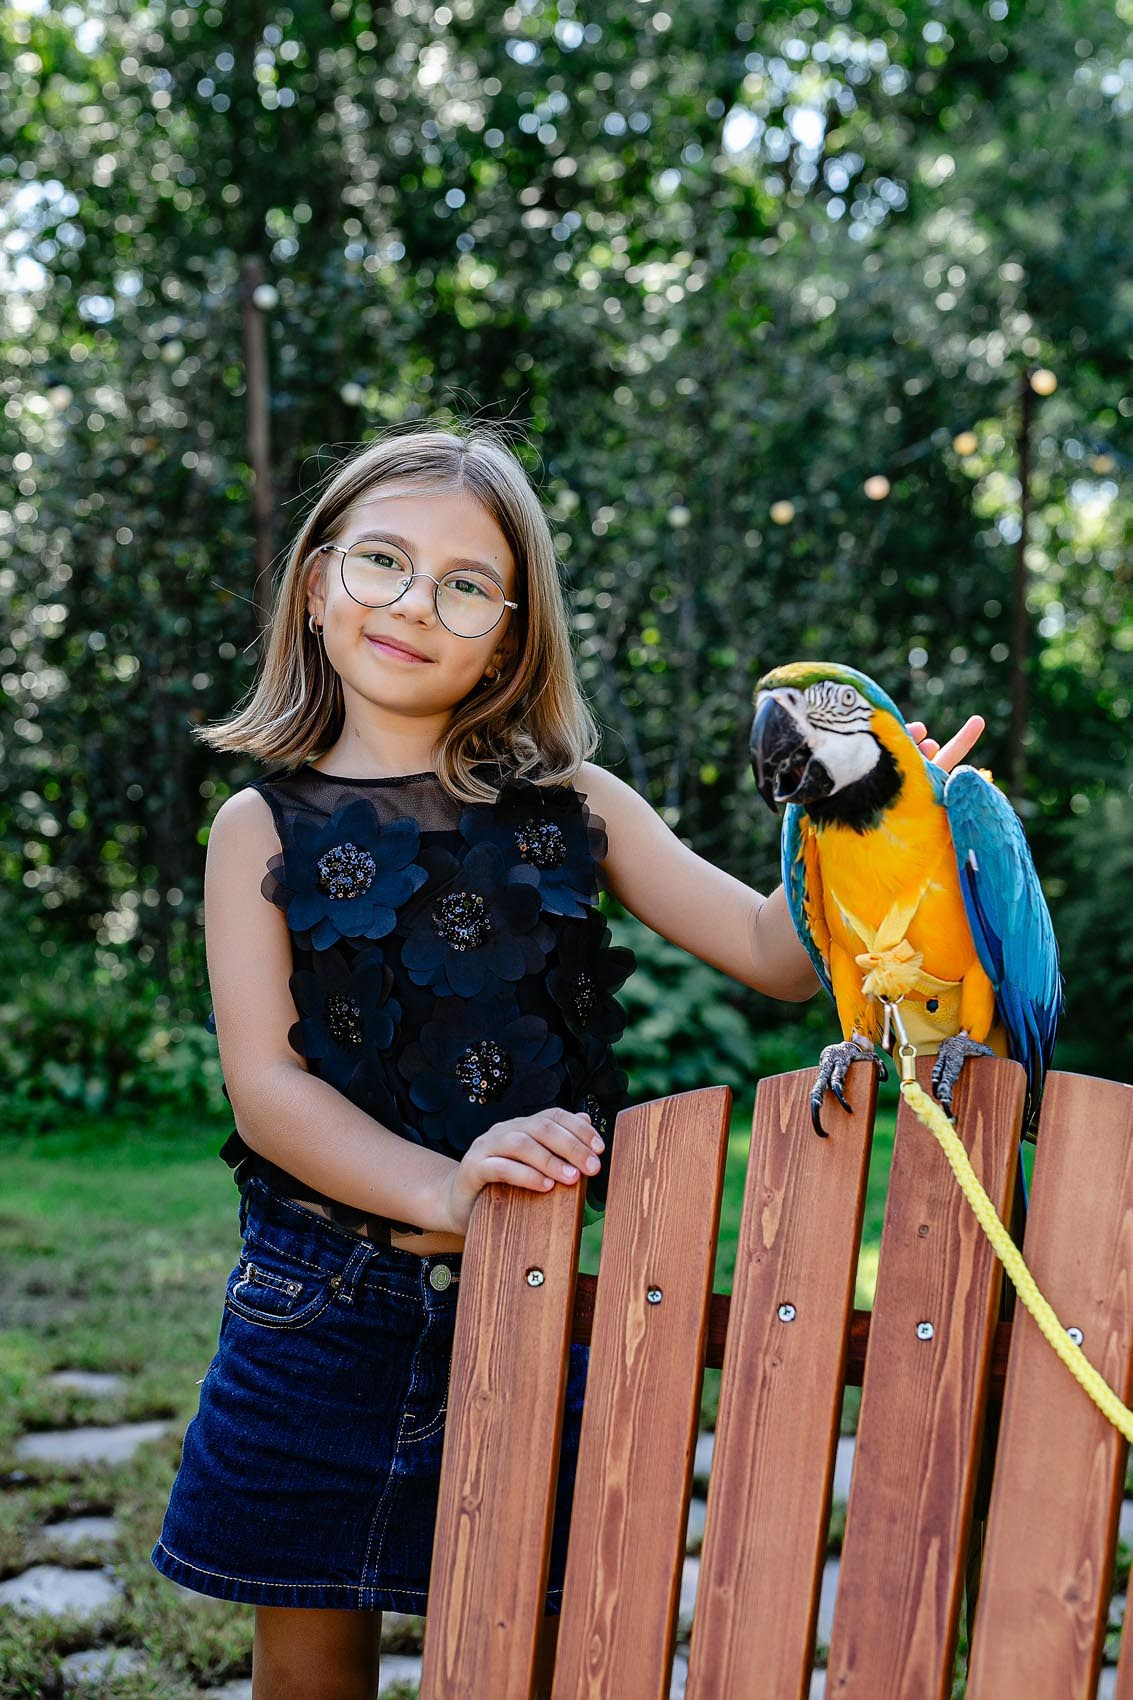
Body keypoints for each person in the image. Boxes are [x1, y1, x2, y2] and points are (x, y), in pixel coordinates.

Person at [151, 425, 983, 1699]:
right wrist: (442, 1188)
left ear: (511, 631)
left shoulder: (578, 805)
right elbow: (268, 1093)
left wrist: (878, 818)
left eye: (465, 583)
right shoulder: (255, 826)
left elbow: (773, 951)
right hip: (312, 1307)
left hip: (536, 1305)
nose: (415, 602)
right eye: (381, 561)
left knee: (519, 1656)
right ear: (316, 585)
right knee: (307, 1668)